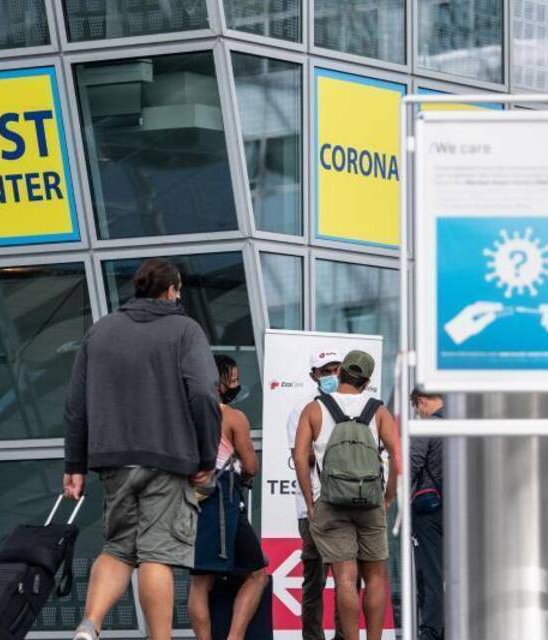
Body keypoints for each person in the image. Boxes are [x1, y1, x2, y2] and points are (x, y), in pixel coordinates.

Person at [62, 258, 221, 640]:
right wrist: (205, 456)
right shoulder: (185, 330)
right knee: (157, 554)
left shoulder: (101, 331)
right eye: (178, 289)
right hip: (167, 458)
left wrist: (75, 463)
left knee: (118, 547)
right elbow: (203, 393)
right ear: (171, 290)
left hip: (113, 458)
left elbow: (75, 403)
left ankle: (90, 624)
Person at [293, 351, 401, 640]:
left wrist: (309, 501)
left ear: (339, 374)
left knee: (345, 578)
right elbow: (397, 457)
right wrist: (387, 497)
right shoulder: (378, 410)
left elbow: (300, 458)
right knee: (376, 577)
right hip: (370, 501)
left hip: (330, 503)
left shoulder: (314, 409)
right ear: (366, 381)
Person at [189, 355, 269, 640]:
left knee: (200, 583)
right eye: (232, 379)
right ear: (219, 381)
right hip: (223, 502)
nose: (236, 384)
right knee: (258, 572)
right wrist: (245, 479)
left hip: (190, 502)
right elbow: (250, 466)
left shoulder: (185, 414)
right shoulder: (233, 417)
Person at [286, 350, 341, 640]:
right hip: (315, 505)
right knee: (315, 579)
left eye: (336, 368)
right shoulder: (303, 410)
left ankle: (345, 635)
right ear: (313, 376)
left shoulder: (355, 405)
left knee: (348, 578)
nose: (332, 375)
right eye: (325, 371)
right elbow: (302, 458)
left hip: (347, 504)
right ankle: (312, 637)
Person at [410, 389, 444, 640]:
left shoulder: (428, 427)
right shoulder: (467, 425)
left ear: (421, 402)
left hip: (430, 512)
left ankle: (432, 631)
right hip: (465, 512)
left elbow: (411, 464)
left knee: (431, 573)